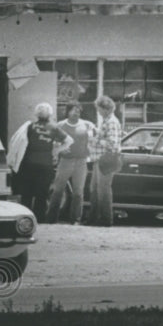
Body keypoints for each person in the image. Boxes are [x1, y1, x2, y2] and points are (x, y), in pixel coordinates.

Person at [6, 102, 68, 220]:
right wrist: (56, 150)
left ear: (37, 114)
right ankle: (39, 218)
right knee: (42, 194)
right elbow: (69, 141)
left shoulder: (30, 127)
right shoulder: (54, 128)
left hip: (28, 164)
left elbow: (19, 142)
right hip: (46, 165)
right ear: (50, 114)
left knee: (27, 194)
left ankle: (26, 217)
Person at [45, 102, 95, 225]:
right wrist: (60, 149)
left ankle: (75, 219)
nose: (76, 112)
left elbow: (96, 137)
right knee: (58, 190)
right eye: (73, 110)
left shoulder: (87, 125)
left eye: (78, 110)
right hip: (65, 161)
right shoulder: (60, 125)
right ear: (68, 111)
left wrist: (91, 147)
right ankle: (51, 218)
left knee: (78, 192)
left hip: (81, 162)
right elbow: (52, 141)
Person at [87, 95, 123, 227]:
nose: (98, 111)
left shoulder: (111, 122)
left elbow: (112, 144)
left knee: (103, 190)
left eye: (99, 108)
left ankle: (106, 219)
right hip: (100, 159)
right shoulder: (106, 121)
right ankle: (93, 218)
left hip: (107, 159)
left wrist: (95, 139)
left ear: (106, 109)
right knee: (95, 189)